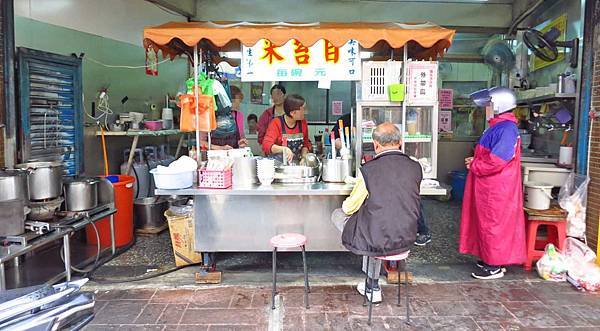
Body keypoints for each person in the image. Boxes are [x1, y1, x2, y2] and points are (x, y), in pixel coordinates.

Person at [331, 123, 421, 303]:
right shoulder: (415, 167)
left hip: (376, 237)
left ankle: (372, 285)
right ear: (400, 142)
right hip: (407, 235)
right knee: (373, 223)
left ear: (376, 145)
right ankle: (371, 283)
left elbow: (349, 208)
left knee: (338, 214)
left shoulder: (369, 170)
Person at [459, 86, 526, 280]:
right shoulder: (498, 126)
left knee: (493, 224)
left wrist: (475, 163)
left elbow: (498, 160)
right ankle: (490, 259)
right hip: (489, 185)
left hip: (497, 187)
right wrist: (475, 162)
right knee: (486, 222)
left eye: (489, 104)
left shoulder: (506, 129)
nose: (486, 108)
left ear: (499, 106)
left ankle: (494, 265)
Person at [262, 94, 312, 163]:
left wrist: (303, 157)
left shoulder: (303, 123)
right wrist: (284, 149)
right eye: (303, 109)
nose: (305, 112)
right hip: (278, 166)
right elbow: (266, 145)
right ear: (292, 113)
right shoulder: (276, 123)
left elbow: (305, 144)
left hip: (296, 166)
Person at [200, 86, 248, 150]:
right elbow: (200, 142)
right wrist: (220, 148)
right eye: (238, 100)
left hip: (232, 156)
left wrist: (241, 143)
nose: (239, 104)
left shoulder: (238, 115)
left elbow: (241, 138)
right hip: (214, 156)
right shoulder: (209, 115)